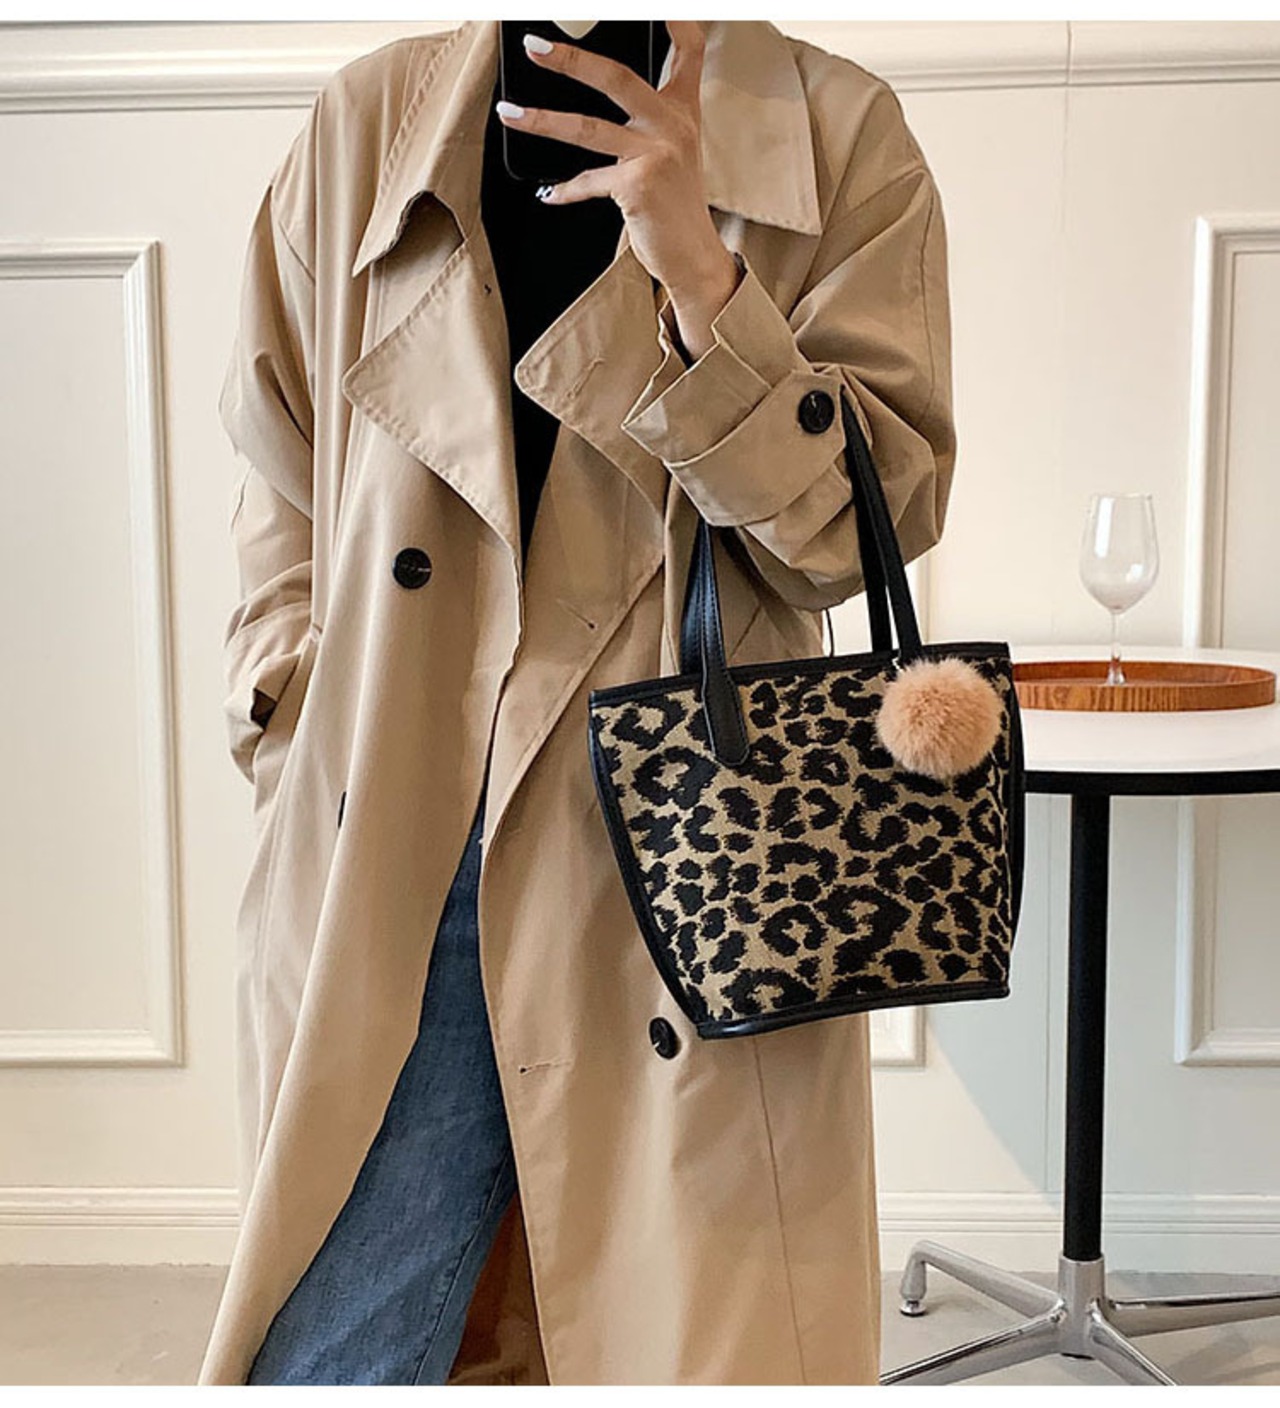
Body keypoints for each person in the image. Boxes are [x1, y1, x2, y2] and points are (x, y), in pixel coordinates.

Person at [202, 19, 955, 1386]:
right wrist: (286, 701)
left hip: (691, 862)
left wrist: (705, 283)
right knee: (339, 1346)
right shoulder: (369, 124)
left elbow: (862, 534)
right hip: (395, 839)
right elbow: (279, 464)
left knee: (671, 1338)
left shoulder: (838, 135)